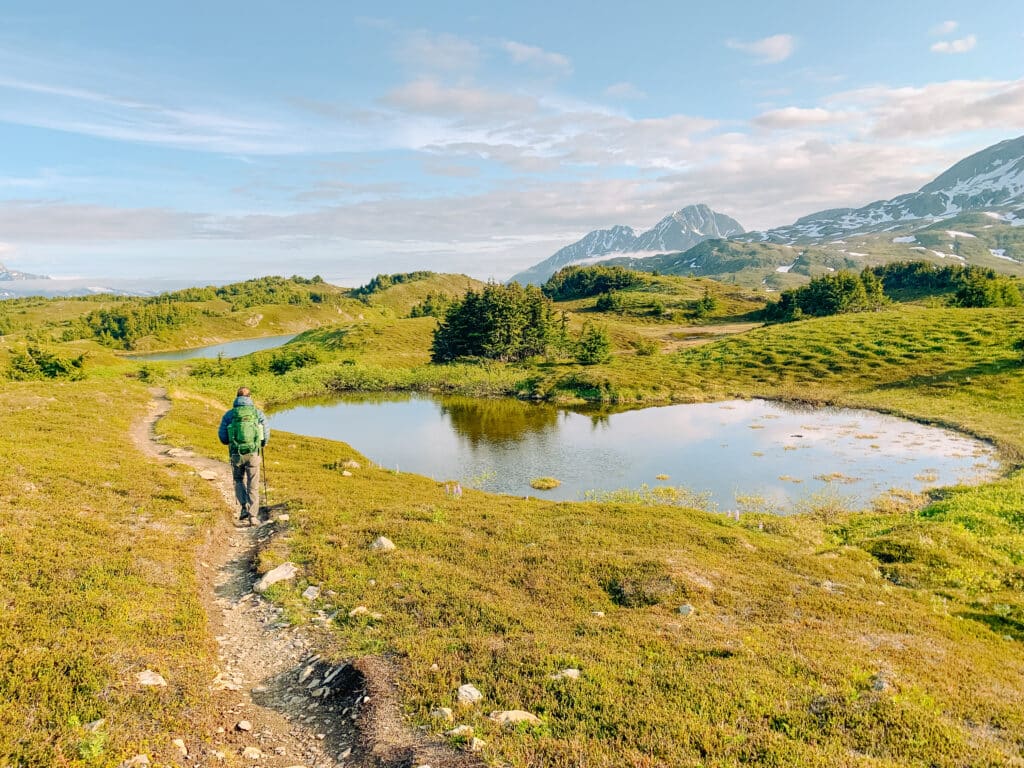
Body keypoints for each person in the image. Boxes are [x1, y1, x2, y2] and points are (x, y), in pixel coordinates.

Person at [218, 386, 269, 525]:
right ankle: (253, 516)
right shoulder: (257, 413)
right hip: (253, 453)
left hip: (236, 453)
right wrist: (262, 443)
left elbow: (222, 436)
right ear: (250, 397)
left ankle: (243, 507)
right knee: (253, 483)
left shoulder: (229, 415)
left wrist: (231, 442)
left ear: (236, 397)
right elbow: (265, 432)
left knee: (238, 480)